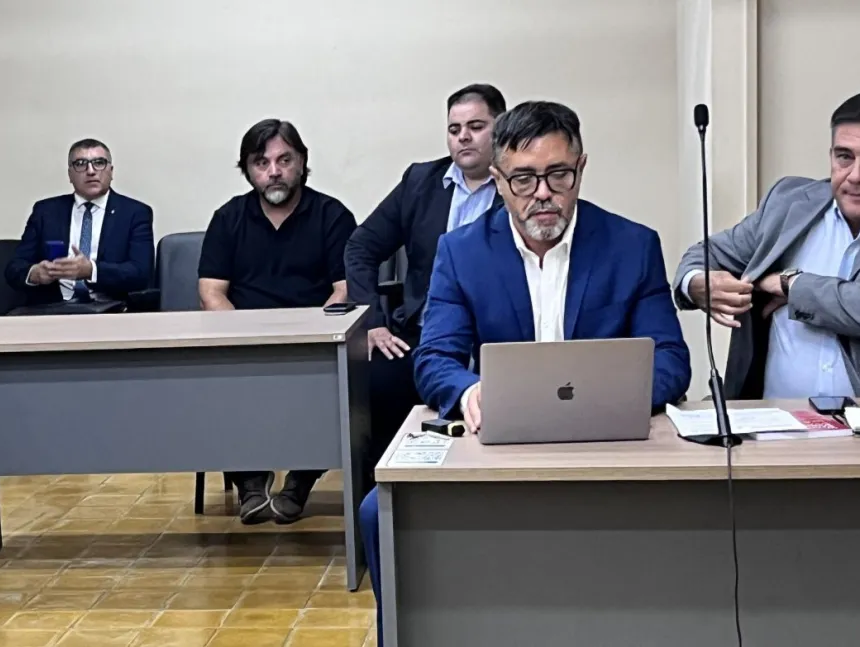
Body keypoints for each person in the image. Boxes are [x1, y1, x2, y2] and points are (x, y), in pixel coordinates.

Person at [359, 100, 692, 644]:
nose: (542, 193)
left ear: (581, 168)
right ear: (497, 180)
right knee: (381, 512)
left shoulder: (632, 245)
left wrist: (611, 393)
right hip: (500, 441)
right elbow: (435, 358)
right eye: (523, 179)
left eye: (558, 175)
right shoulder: (461, 251)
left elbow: (672, 360)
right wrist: (470, 391)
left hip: (609, 443)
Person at [673, 89, 860, 400]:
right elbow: (708, 254)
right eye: (844, 156)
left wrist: (790, 285)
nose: (856, 175)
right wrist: (696, 283)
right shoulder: (789, 202)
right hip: (772, 420)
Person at [198, 118, 356, 525]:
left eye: (284, 160)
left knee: (334, 379)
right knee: (217, 379)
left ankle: (301, 480)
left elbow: (344, 290)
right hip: (244, 341)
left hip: (315, 342)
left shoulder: (332, 216)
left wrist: (315, 337)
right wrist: (245, 339)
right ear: (248, 169)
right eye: (261, 162)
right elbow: (211, 292)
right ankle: (250, 480)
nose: (274, 171)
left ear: (302, 162)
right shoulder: (228, 218)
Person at [344, 83, 506, 465]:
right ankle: (382, 492)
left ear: (501, 129)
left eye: (476, 126)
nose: (463, 137)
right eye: (454, 129)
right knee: (372, 383)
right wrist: (373, 322)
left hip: (494, 339)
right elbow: (360, 247)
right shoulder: (420, 182)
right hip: (424, 335)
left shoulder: (517, 185)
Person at [5, 138, 155, 306]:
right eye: (81, 164)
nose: (91, 171)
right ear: (70, 174)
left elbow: (141, 273)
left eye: (99, 163)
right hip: (52, 308)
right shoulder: (45, 212)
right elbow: (14, 268)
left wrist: (91, 271)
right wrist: (35, 274)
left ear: (111, 171)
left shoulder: (135, 213)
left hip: (111, 308)